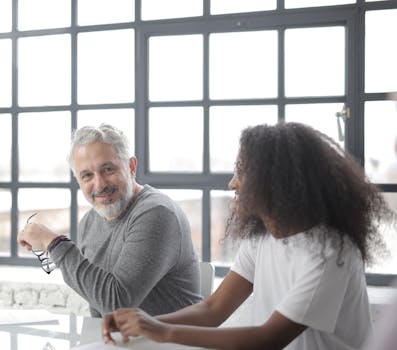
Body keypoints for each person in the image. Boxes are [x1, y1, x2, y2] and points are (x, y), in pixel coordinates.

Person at [103, 122, 389, 350]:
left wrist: (161, 331)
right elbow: (214, 310)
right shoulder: (261, 237)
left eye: (241, 171)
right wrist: (140, 322)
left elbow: (268, 339)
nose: (232, 183)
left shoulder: (331, 253)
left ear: (276, 180)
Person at [18, 123, 202, 317]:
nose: (100, 184)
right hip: (118, 342)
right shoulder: (88, 223)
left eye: (108, 169)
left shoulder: (157, 213)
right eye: (87, 175)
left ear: (131, 166)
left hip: (171, 344)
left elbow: (116, 304)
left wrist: (54, 243)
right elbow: (98, 304)